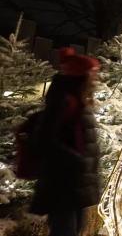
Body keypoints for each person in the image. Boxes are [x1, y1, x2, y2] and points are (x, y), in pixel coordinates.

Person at [30, 47, 101, 236]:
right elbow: (44, 139)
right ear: (81, 77)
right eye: (93, 74)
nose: (96, 79)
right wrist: (75, 160)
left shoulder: (80, 101)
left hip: (75, 184)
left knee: (75, 230)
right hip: (63, 184)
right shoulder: (64, 101)